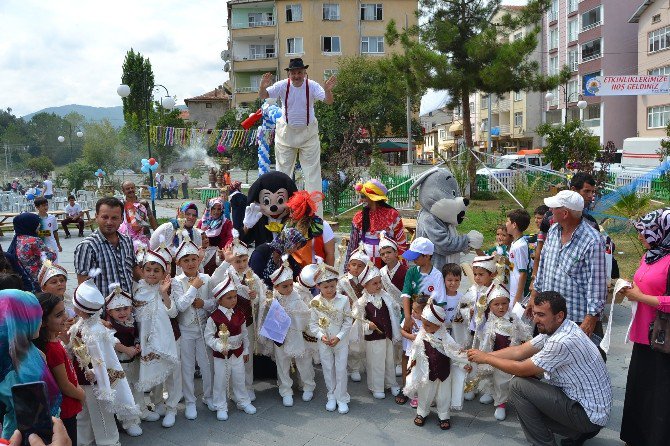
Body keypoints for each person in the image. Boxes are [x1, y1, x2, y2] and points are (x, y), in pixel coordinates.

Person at [468, 291, 612, 446]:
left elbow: (521, 368)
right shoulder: (562, 326)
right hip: (589, 411)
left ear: (559, 316)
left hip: (588, 417)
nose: (535, 319)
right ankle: (575, 433)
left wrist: (487, 358)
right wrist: (482, 354)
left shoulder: (561, 341)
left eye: (541, 315)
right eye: (535, 314)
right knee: (529, 382)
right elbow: (519, 351)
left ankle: (544, 443)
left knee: (518, 385)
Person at [528, 191, 607, 348]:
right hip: (549, 315)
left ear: (565, 213)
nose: (550, 210)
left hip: (575, 317)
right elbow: (543, 265)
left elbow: (597, 283)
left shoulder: (592, 240)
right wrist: (534, 295)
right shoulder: (552, 231)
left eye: (554, 207)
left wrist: (591, 317)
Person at [68, 275, 141, 445]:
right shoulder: (81, 325)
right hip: (81, 375)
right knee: (84, 410)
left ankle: (109, 440)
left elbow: (101, 358)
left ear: (80, 309)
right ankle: (84, 439)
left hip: (95, 379)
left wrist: (94, 372)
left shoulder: (94, 331)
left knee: (100, 411)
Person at [258, 58, 336, 216]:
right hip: (286, 135)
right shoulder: (282, 85)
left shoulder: (312, 86)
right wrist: (262, 87)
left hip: (308, 135)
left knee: (313, 175)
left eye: (299, 72)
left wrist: (328, 90)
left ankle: (316, 217)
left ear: (304, 73)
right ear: (289, 74)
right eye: (293, 73)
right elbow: (263, 96)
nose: (296, 76)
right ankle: (280, 214)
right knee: (282, 175)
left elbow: (329, 101)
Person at [620, 208, 670, 445]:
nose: (640, 236)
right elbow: (642, 282)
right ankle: (636, 437)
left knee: (659, 394)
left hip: (663, 337)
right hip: (642, 333)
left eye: (645, 231)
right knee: (641, 388)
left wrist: (640, 297)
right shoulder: (651, 255)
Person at [172, 234, 231, 420]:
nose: (190, 263)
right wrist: (192, 288)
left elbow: (214, 302)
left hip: (204, 329)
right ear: (179, 263)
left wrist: (203, 303)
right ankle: (190, 400)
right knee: (188, 367)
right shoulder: (176, 282)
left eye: (193, 259)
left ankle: (209, 396)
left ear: (199, 259)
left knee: (207, 365)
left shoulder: (205, 278)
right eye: (186, 260)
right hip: (186, 330)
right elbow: (180, 306)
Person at [0, 290, 61, 439]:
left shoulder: (23, 348)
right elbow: (34, 428)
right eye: (36, 317)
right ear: (20, 321)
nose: (40, 322)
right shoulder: (19, 373)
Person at [258, 259, 316, 407]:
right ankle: (285, 390)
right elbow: (264, 317)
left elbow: (305, 314)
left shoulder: (297, 297)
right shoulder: (272, 299)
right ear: (276, 286)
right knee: (282, 363)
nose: (290, 288)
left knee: (303, 361)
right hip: (280, 336)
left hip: (296, 335)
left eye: (291, 285)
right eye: (285, 286)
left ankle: (308, 385)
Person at [471, 284, 532, 421]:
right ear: (490, 306)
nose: (501, 307)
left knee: (502, 380)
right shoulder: (488, 320)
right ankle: (491, 393)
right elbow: (479, 334)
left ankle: (501, 403)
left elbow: (524, 332)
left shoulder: (513, 319)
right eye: (496, 304)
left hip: (506, 357)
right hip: (489, 354)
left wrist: (528, 343)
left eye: (504, 303)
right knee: (489, 376)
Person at [404, 301, 467, 431]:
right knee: (425, 394)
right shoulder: (421, 336)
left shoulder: (445, 337)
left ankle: (444, 415)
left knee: (444, 395)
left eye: (428, 325)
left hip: (444, 373)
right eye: (423, 323)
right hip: (427, 372)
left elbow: (455, 351)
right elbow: (415, 353)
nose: (424, 327)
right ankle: (422, 412)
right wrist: (413, 367)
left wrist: (464, 362)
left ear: (438, 325)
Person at [204, 271, 256, 421]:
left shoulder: (239, 314)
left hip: (238, 352)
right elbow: (208, 337)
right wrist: (220, 346)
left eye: (235, 297)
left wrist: (245, 349)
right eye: (229, 298)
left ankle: (242, 401)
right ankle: (220, 405)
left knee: (239, 378)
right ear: (220, 300)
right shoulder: (214, 318)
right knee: (220, 380)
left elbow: (244, 333)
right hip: (222, 355)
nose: (233, 300)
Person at [34, 292, 85, 444]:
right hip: (66, 406)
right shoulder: (52, 349)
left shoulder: (52, 342)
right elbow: (64, 385)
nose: (64, 317)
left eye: (63, 311)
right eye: (58, 315)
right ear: (43, 322)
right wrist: (81, 395)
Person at [352, 263, 402, 400]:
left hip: (387, 336)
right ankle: (377, 386)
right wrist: (368, 326)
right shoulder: (362, 303)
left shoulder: (386, 297)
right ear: (365, 286)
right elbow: (358, 323)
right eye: (374, 283)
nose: (379, 286)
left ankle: (391, 383)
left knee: (389, 361)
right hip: (373, 339)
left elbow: (394, 312)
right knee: (376, 363)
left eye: (380, 282)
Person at [309, 263, 353, 414]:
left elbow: (348, 321)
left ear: (336, 284)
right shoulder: (315, 302)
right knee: (327, 368)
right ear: (318, 286)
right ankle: (331, 395)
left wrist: (339, 337)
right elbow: (313, 324)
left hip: (340, 340)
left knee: (340, 368)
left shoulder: (344, 300)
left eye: (332, 286)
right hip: (324, 341)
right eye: (325, 287)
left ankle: (342, 397)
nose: (329, 290)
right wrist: (321, 336)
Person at [74, 197, 137, 298]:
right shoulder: (87, 246)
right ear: (96, 217)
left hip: (127, 308)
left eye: (114, 218)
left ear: (121, 219)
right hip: (102, 310)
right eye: (105, 217)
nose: (109, 222)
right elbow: (83, 286)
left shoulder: (127, 241)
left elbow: (134, 268)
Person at [226, 234, 264, 401]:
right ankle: (233, 389)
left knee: (247, 357)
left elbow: (258, 301)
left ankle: (248, 386)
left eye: (243, 261)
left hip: (246, 322)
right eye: (237, 261)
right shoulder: (227, 275)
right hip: (230, 324)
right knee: (232, 356)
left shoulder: (253, 277)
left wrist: (255, 297)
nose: (241, 265)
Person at [345, 179, 407, 267]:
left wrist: (400, 266)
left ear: (373, 198)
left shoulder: (392, 215)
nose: (360, 200)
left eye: (363, 196)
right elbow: (352, 245)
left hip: (388, 264)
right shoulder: (359, 217)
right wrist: (348, 269)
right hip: (363, 265)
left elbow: (401, 243)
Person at [400, 238, 448, 332]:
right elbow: (406, 295)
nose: (413, 260)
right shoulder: (411, 272)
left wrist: (429, 323)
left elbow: (440, 303)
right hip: (410, 316)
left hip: (427, 322)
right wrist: (407, 317)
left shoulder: (437, 276)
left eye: (416, 257)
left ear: (427, 256)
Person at [6, 212, 57, 292]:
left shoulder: (17, 238)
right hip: (35, 280)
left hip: (22, 278)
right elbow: (47, 260)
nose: (39, 225)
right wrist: (52, 252)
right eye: (37, 223)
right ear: (29, 224)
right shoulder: (34, 241)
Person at [285, 190, 336, 267]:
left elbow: (330, 254)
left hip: (317, 274)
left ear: (303, 211)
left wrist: (328, 276)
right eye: (290, 211)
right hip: (294, 274)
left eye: (293, 211)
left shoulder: (322, 226)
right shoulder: (289, 226)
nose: (290, 215)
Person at [397, 295, 428, 408]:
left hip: (422, 353)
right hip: (410, 351)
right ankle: (412, 393)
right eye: (412, 310)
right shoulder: (410, 319)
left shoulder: (427, 323)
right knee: (411, 372)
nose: (412, 313)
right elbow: (401, 330)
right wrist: (410, 336)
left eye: (415, 311)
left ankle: (421, 394)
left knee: (421, 372)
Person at [197, 197, 233, 275]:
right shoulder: (203, 223)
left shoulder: (226, 223)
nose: (216, 212)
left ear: (222, 210)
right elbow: (196, 237)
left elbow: (230, 238)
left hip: (220, 256)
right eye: (213, 209)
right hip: (203, 257)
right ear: (209, 209)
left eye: (219, 209)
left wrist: (226, 249)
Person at [119, 181, 157, 249]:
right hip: (125, 236)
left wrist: (157, 233)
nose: (131, 190)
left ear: (135, 189)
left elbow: (151, 217)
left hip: (144, 235)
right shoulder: (121, 204)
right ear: (123, 191)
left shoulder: (143, 203)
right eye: (127, 189)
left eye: (132, 188)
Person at [506, 209, 531, 307]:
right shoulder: (514, 243)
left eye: (507, 221)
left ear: (514, 224)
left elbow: (523, 273)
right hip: (512, 287)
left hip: (518, 293)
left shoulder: (521, 246)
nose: (506, 224)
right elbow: (514, 266)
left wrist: (517, 297)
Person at [34, 197, 62, 262]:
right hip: (40, 247)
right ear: (37, 207)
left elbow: (55, 232)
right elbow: (33, 233)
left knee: (54, 266)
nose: (46, 207)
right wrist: (44, 233)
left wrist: (58, 244)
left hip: (52, 245)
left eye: (46, 205)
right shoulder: (35, 219)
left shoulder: (52, 218)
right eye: (43, 205)